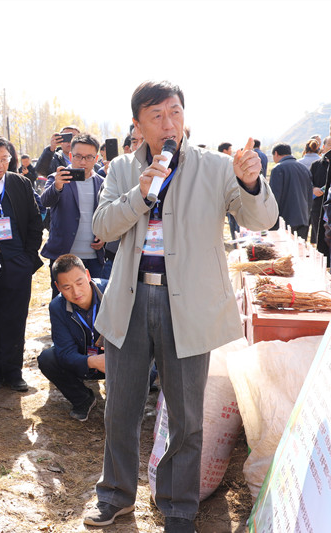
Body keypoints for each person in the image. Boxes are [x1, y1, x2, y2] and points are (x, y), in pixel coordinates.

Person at [85, 81, 278, 531]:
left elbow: (259, 219)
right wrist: (141, 192)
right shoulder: (120, 168)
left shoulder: (214, 166)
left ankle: (178, 506)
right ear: (137, 125)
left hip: (188, 305)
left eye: (175, 112)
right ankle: (115, 495)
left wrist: (251, 182)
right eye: (156, 116)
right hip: (129, 301)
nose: (168, 123)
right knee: (122, 408)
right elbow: (103, 226)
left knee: (187, 416)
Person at [0, 135, 43, 392]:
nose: (0, 165)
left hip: (17, 261)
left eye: (5, 159)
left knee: (15, 318)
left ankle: (14, 372)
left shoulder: (20, 183)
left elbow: (35, 222)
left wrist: (27, 257)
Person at [37, 255, 106, 421]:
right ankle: (83, 399)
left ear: (88, 275)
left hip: (115, 361)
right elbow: (65, 353)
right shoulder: (57, 307)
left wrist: (116, 360)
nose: (76, 292)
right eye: (67, 287)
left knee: (149, 370)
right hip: (84, 363)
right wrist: (92, 362)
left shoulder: (112, 292)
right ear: (58, 287)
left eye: (80, 282)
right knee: (48, 359)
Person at [41, 133, 106, 286]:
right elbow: (45, 201)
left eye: (89, 157)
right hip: (64, 255)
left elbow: (108, 214)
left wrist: (105, 235)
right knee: (63, 303)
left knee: (95, 300)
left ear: (96, 159)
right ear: (70, 156)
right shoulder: (57, 178)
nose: (83, 162)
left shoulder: (103, 183)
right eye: (78, 156)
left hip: (94, 257)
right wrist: (57, 186)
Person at [270, 142, 313, 239]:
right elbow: (310, 195)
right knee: (300, 250)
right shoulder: (304, 168)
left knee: (285, 251)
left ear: (276, 153)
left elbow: (275, 197)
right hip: (303, 217)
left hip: (285, 220)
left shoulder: (278, 168)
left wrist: (272, 221)